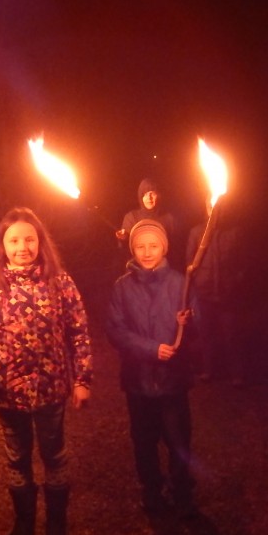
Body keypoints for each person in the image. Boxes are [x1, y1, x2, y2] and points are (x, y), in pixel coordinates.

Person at [0, 207, 92, 535]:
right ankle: (24, 523)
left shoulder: (60, 283)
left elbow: (79, 333)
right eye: (14, 240)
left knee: (54, 456)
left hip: (50, 389)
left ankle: (56, 525)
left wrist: (82, 379)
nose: (22, 247)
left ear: (41, 243)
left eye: (29, 239)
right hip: (8, 392)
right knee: (17, 459)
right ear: (3, 246)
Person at [106, 218, 197, 518]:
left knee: (178, 440)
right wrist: (151, 349)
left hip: (172, 381)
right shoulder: (122, 287)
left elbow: (199, 327)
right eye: (141, 246)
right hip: (139, 382)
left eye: (153, 245)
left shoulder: (181, 283)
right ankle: (151, 490)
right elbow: (116, 331)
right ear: (132, 249)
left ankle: (181, 489)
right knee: (144, 441)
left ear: (164, 248)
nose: (147, 252)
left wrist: (189, 321)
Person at [186, 195, 245, 385]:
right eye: (211, 206)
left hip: (227, 294)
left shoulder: (234, 233)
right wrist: (195, 283)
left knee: (231, 335)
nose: (214, 210)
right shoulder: (197, 232)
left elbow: (243, 262)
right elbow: (189, 262)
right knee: (206, 334)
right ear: (207, 209)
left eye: (218, 207)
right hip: (204, 293)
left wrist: (236, 281)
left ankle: (236, 374)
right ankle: (208, 370)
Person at [115, 178, 178, 264]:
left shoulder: (169, 219)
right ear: (140, 197)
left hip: (161, 268)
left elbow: (175, 248)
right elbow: (124, 249)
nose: (149, 198)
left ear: (159, 195)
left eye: (152, 193)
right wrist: (123, 238)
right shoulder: (131, 217)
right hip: (137, 267)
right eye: (145, 194)